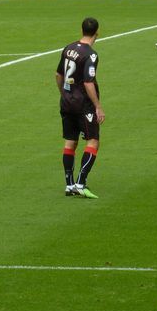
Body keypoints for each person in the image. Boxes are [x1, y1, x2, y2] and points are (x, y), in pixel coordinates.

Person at [56, 17, 104, 199]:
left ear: (81, 30)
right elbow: (88, 82)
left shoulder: (68, 48)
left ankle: (69, 185)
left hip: (67, 102)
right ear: (97, 34)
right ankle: (81, 183)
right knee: (93, 141)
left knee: (70, 141)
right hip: (83, 105)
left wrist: (63, 94)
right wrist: (98, 106)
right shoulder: (91, 54)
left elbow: (58, 74)